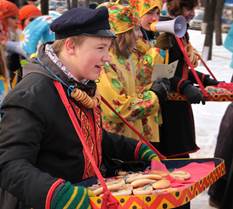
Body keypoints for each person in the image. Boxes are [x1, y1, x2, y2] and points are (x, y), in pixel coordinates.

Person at [0, 6, 160, 209]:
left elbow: (83, 137)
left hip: (87, 196)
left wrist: (136, 149)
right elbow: (8, 164)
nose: (107, 57)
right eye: (100, 48)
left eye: (108, 49)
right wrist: (58, 194)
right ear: (70, 46)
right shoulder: (32, 94)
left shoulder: (78, 83)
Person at [97, 2, 169, 143]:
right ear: (122, 34)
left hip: (132, 139)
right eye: (135, 30)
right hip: (114, 143)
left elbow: (140, 82)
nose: (139, 34)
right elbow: (117, 109)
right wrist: (154, 97)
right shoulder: (104, 62)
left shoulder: (125, 57)